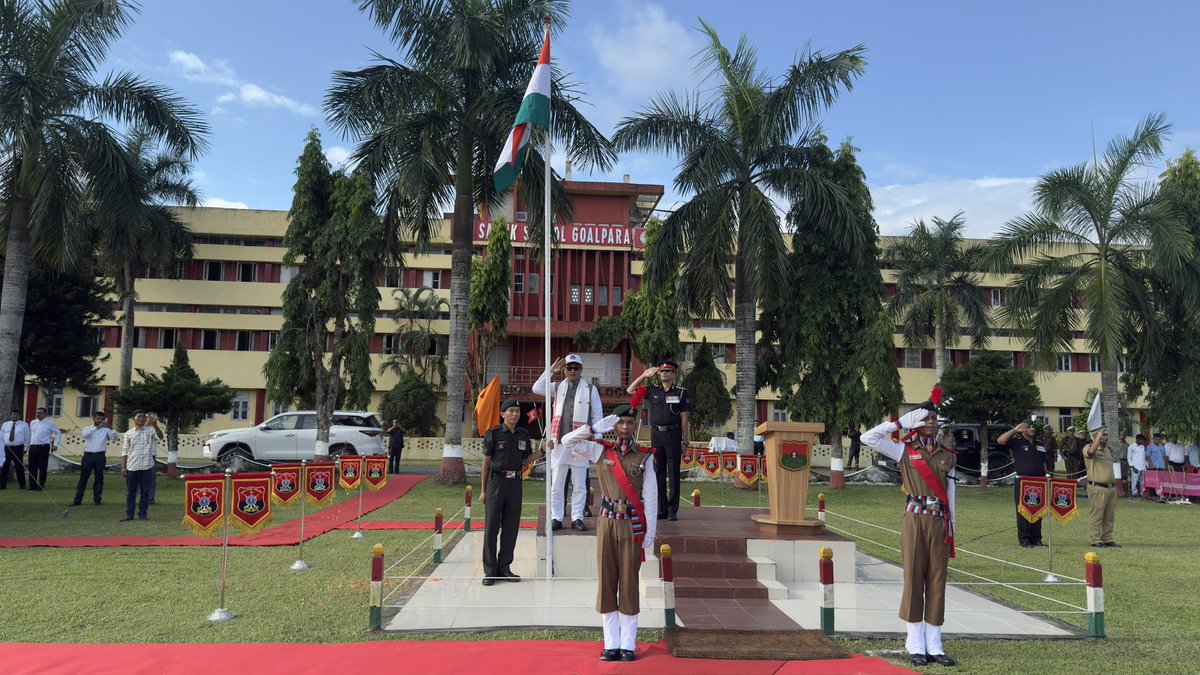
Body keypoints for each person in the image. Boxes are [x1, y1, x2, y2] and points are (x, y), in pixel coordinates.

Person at [861, 403, 957, 668]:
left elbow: (950, 493)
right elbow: (867, 437)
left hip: (939, 521)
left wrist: (953, 525)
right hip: (914, 518)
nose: (931, 422)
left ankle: (934, 645)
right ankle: (915, 644)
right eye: (925, 418)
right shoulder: (904, 448)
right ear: (915, 421)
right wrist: (900, 423)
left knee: (938, 581)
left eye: (934, 418)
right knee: (914, 579)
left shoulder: (947, 453)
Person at [562, 404, 657, 663]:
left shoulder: (645, 456)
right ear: (613, 425)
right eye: (620, 422)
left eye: (629, 422)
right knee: (606, 581)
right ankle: (610, 643)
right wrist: (593, 429)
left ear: (635, 425)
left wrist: (651, 533)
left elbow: (650, 497)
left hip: (632, 524)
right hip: (607, 522)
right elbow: (566, 441)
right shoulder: (600, 450)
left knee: (629, 583)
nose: (625, 427)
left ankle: (628, 644)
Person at [533, 354, 602, 532]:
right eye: (569, 368)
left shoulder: (590, 388)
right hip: (559, 443)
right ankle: (556, 516)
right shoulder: (556, 387)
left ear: (581, 370)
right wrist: (550, 371)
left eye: (575, 368)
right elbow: (536, 388)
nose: (572, 370)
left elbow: (597, 414)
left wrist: (598, 440)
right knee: (557, 483)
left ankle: (577, 517)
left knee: (579, 484)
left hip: (580, 443)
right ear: (564, 370)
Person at [480, 399, 538, 586]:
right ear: (503, 414)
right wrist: (482, 490)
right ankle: (490, 571)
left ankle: (504, 568)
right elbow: (486, 463)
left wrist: (543, 451)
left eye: (517, 411)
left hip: (515, 484)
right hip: (496, 482)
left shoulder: (523, 435)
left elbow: (527, 459)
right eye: (511, 411)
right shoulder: (494, 434)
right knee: (491, 528)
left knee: (511, 528)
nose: (515, 414)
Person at [627, 360, 690, 521]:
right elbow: (630, 390)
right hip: (657, 435)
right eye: (662, 372)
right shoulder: (652, 391)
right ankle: (662, 509)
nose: (664, 374)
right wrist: (643, 375)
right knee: (659, 473)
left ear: (673, 374)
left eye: (668, 371)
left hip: (674, 435)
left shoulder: (681, 393)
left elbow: (684, 419)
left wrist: (685, 441)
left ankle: (672, 510)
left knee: (674, 473)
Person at [998, 421, 1055, 548]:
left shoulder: (1040, 444)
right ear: (1022, 430)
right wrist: (1014, 429)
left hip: (1039, 482)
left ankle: (1036, 539)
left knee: (1038, 509)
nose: (1032, 429)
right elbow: (1000, 441)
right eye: (1029, 427)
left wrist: (1046, 476)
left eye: (1033, 426)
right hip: (1024, 482)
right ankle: (1024, 540)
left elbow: (1043, 462)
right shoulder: (1017, 441)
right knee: (1023, 510)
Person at [120, 411, 162, 522]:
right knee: (131, 492)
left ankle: (143, 514)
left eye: (144, 417)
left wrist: (155, 425)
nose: (142, 419)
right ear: (133, 418)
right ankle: (129, 514)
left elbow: (161, 437)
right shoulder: (128, 433)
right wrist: (123, 467)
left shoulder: (150, 430)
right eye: (139, 416)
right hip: (132, 466)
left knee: (145, 492)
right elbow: (125, 451)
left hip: (147, 466)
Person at [72, 412, 120, 506]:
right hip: (88, 456)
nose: (99, 421)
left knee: (99, 478)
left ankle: (97, 500)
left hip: (100, 456)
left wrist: (110, 428)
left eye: (101, 419)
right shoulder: (87, 428)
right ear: (93, 419)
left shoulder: (106, 430)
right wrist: (96, 428)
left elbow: (115, 438)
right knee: (83, 478)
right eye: (98, 419)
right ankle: (77, 500)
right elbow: (85, 435)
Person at [1083, 427, 1119, 548]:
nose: (1105, 437)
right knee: (1097, 515)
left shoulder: (1108, 450)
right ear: (1095, 436)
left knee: (1109, 516)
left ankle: (1107, 538)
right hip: (1097, 487)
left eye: (1106, 435)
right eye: (1102, 435)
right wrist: (1097, 438)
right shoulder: (1088, 448)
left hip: (1110, 487)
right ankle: (1095, 539)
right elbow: (1090, 452)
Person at [26, 407, 61, 492]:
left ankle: (41, 484)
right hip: (33, 446)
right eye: (37, 412)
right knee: (32, 467)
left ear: (45, 414)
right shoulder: (33, 422)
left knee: (42, 467)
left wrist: (55, 444)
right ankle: (32, 485)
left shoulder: (50, 423)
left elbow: (58, 433)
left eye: (40, 413)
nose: (38, 414)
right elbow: (30, 435)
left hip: (43, 447)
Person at [1, 410, 30, 490]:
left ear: (20, 416)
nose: (15, 416)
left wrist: (25, 448)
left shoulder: (24, 425)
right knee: (5, 466)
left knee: (19, 466)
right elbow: (2, 436)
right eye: (13, 414)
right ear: (10, 416)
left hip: (18, 447)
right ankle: (2, 485)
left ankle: (22, 485)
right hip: (7, 447)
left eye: (17, 414)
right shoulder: (5, 424)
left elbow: (27, 437)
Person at [1146, 433, 1167, 502]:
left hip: (1161, 466)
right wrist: (1151, 464)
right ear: (1153, 439)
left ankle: (1160, 495)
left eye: (1159, 440)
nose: (1158, 441)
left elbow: (1164, 456)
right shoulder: (1149, 446)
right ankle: (1152, 496)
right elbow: (1147, 456)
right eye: (1157, 439)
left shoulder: (1162, 447)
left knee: (1161, 481)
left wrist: (1166, 465)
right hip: (1153, 467)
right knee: (1152, 482)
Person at [1127, 434, 1147, 499]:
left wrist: (1145, 466)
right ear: (1137, 439)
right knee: (1134, 480)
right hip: (1135, 467)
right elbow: (1129, 458)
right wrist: (1132, 467)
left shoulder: (1143, 447)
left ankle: (1142, 493)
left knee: (1142, 481)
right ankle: (1134, 493)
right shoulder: (1131, 447)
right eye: (1142, 440)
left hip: (1143, 466)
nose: (1143, 441)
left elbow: (1143, 457)